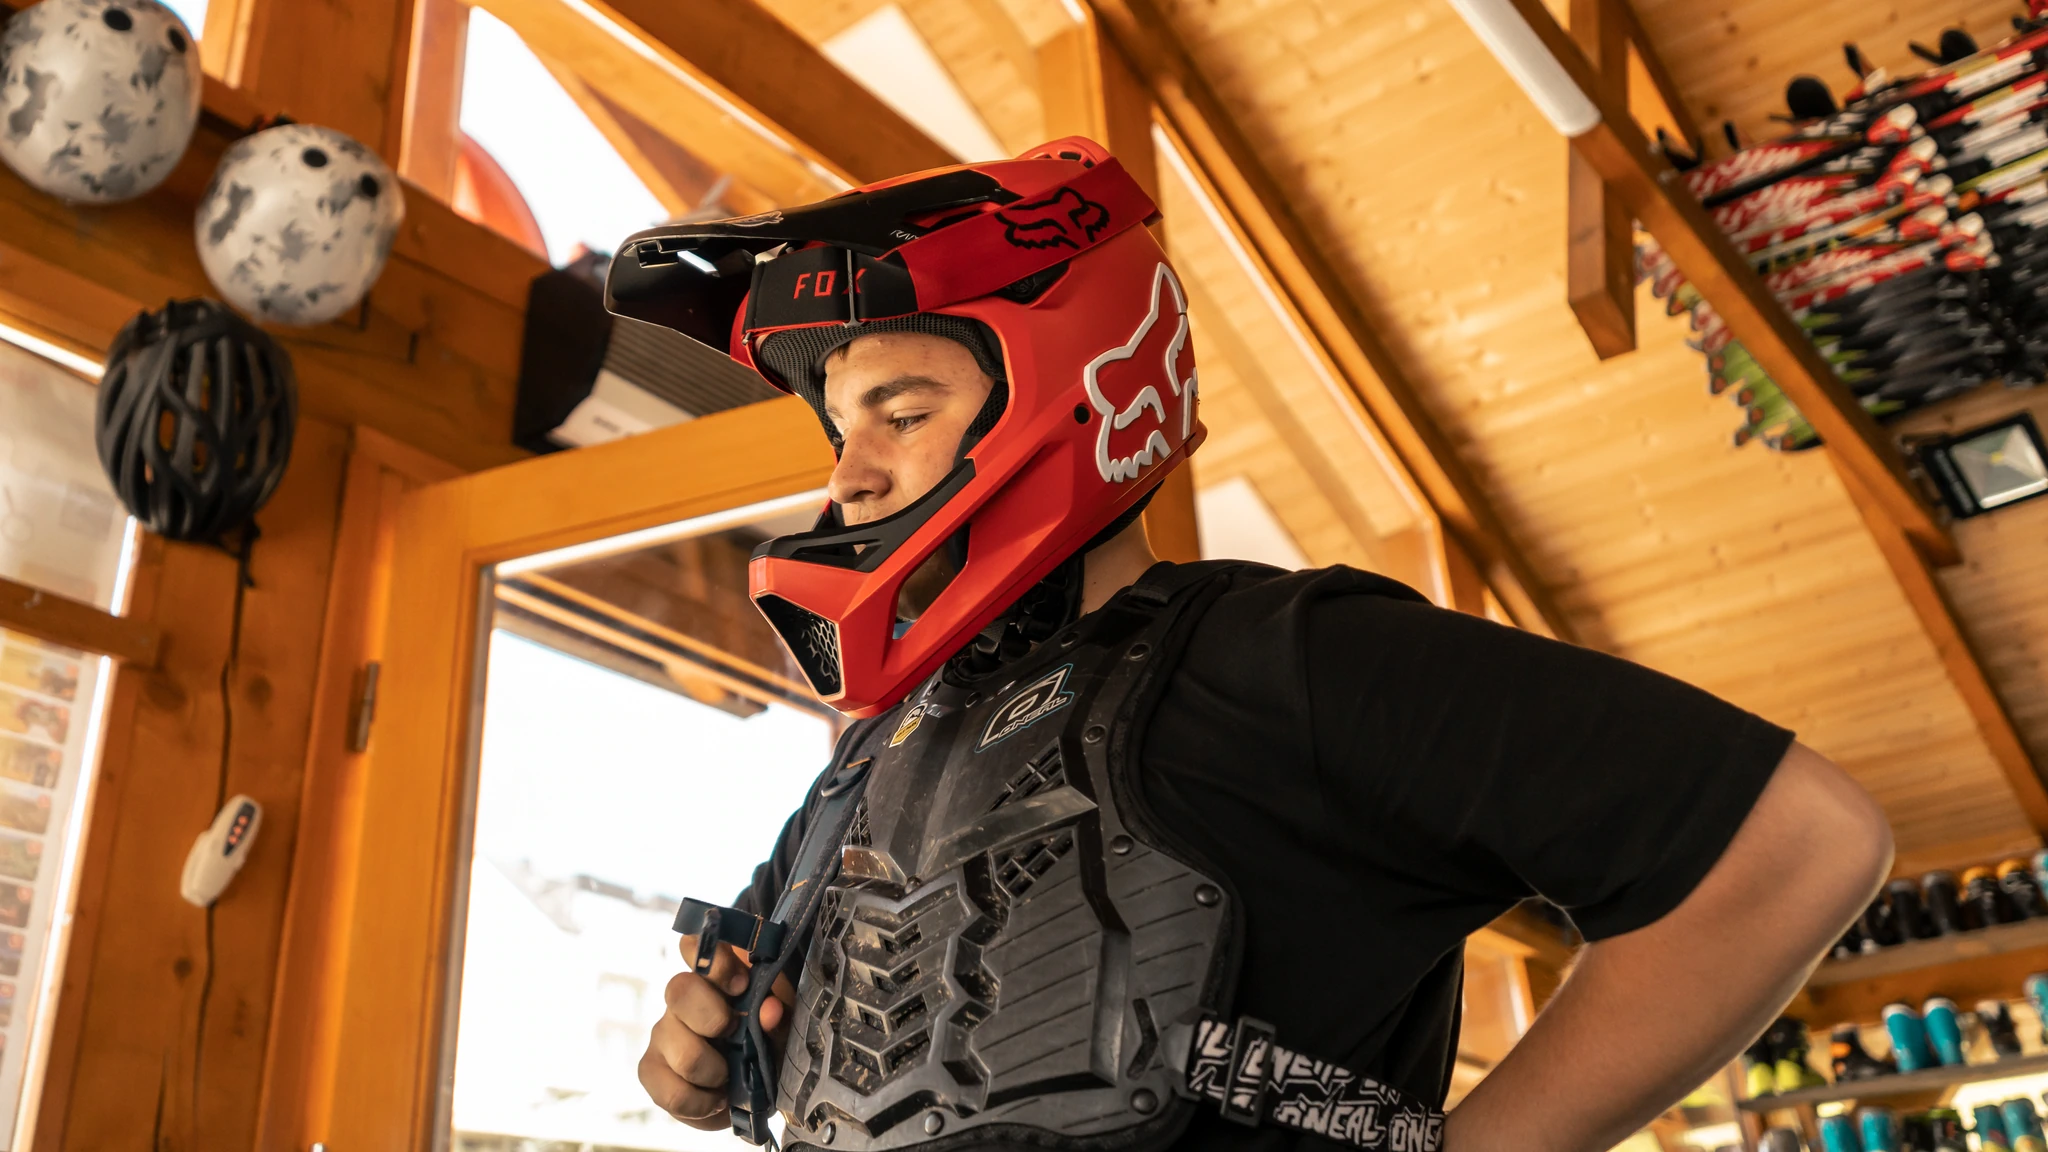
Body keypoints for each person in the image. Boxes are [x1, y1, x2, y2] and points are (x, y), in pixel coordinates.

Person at [614, 137, 1893, 1152]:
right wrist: (707, 1065)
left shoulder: (1288, 656)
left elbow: (1794, 843)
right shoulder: (865, 760)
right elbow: (832, 1047)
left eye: (900, 413)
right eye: (841, 429)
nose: (850, 476)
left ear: (1069, 388)